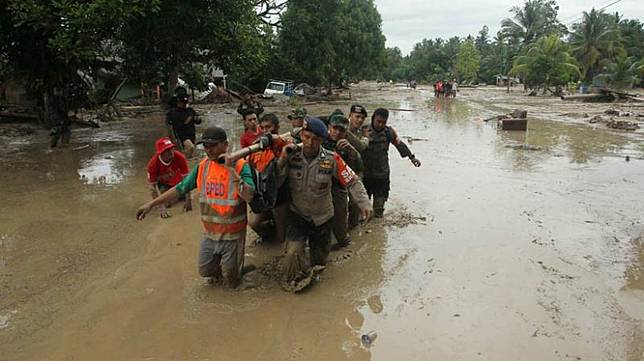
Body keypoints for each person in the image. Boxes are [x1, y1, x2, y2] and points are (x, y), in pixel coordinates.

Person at [136, 127, 255, 288]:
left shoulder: (241, 166)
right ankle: (232, 267)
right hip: (209, 234)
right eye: (205, 146)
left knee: (232, 283)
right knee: (205, 271)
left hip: (232, 236)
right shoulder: (203, 167)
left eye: (212, 146)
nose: (208, 150)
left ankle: (237, 271)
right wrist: (152, 204)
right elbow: (180, 188)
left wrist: (231, 170)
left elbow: (250, 196)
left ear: (225, 145)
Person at [278, 117, 372, 284]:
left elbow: (352, 181)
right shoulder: (290, 156)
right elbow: (275, 182)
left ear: (322, 140)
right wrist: (281, 160)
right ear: (301, 135)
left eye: (315, 139)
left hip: (322, 218)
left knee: (319, 262)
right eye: (306, 137)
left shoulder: (332, 159)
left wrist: (364, 203)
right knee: (292, 255)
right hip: (298, 215)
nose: (310, 142)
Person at [362, 108, 421, 218]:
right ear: (373, 119)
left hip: (382, 175)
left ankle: (377, 229)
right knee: (362, 208)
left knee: (379, 209)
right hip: (365, 175)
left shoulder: (389, 132)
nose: (380, 124)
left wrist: (412, 157)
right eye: (378, 121)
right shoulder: (363, 131)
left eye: (383, 122)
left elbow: (399, 145)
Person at [247, 113, 289, 244]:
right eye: (263, 128)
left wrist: (274, 140)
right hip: (264, 194)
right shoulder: (257, 147)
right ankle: (269, 236)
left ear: (277, 127)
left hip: (282, 195)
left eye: (268, 127)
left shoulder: (286, 144)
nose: (265, 131)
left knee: (282, 236)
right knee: (253, 223)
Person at [324, 113, 364, 249]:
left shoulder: (347, 144)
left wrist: (352, 151)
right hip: (320, 185)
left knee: (341, 228)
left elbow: (358, 168)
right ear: (329, 127)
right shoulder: (320, 139)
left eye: (341, 130)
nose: (337, 132)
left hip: (338, 187)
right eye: (335, 128)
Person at [146, 137, 191, 218]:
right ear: (160, 153)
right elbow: (153, 186)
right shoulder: (152, 165)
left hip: (178, 182)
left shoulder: (180, 157)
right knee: (166, 204)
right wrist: (161, 207)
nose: (170, 152)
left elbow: (187, 179)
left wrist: (189, 200)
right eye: (167, 150)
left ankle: (177, 195)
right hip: (163, 183)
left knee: (184, 196)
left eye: (171, 149)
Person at [166, 94, 201, 158]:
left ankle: (186, 161)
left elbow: (198, 121)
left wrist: (197, 119)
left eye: (186, 102)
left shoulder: (190, 110)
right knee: (190, 147)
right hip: (181, 135)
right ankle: (185, 162)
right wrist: (186, 122)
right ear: (178, 103)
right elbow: (175, 126)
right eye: (183, 103)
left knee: (190, 151)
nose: (185, 104)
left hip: (192, 134)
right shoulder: (174, 113)